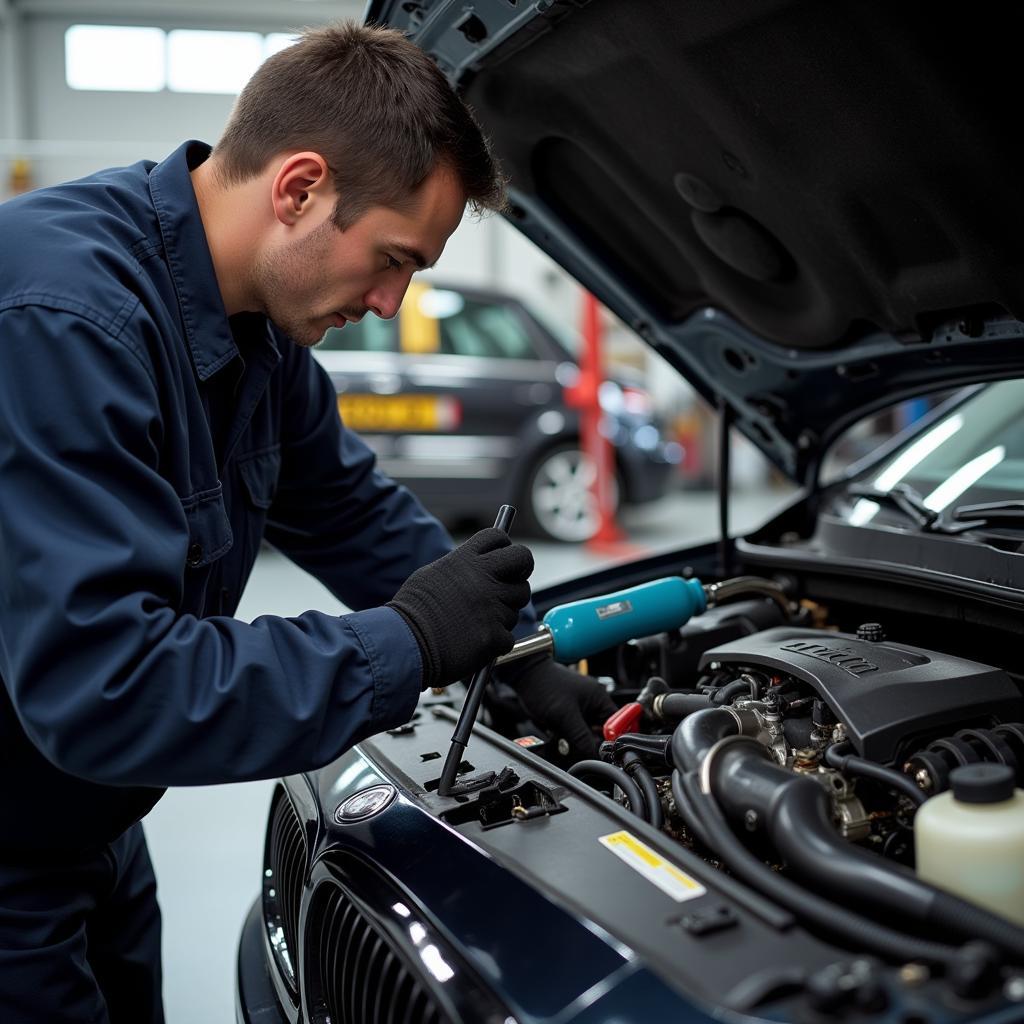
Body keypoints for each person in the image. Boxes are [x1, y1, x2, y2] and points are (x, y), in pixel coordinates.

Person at [0, 21, 615, 1024]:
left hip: (88, 817)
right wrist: (409, 642)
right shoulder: (64, 318)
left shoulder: (260, 336)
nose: (388, 301)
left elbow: (349, 510)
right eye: (392, 259)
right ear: (298, 188)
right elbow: (102, 685)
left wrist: (516, 653)